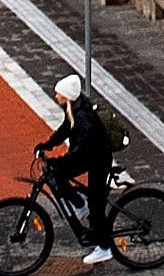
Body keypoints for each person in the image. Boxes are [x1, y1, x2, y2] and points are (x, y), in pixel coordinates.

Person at [36, 69, 122, 240]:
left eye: (59, 94)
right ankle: (80, 205)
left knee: (96, 203)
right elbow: (65, 130)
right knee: (57, 175)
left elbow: (81, 151)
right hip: (90, 156)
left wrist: (59, 161)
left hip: (98, 159)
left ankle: (103, 246)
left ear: (67, 97)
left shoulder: (83, 118)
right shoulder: (74, 110)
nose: (56, 96)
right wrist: (47, 145)